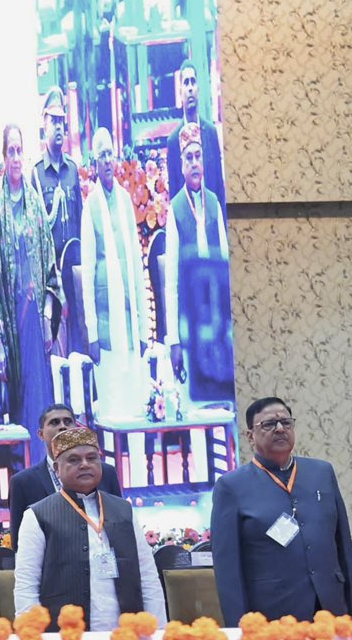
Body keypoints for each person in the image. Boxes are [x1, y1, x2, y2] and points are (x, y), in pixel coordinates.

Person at [210, 397, 352, 623]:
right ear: (250, 436)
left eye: (286, 422)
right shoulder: (231, 487)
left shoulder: (321, 473)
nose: (280, 429)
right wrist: (239, 629)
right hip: (273, 616)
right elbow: (228, 571)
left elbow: (344, 549)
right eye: (269, 424)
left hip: (332, 610)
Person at [12, 424, 166, 630]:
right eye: (74, 460)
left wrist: (158, 632)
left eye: (92, 458)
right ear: (57, 469)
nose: (85, 464)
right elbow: (26, 585)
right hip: (66, 639)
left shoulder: (123, 510)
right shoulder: (37, 516)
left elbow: (147, 576)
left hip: (127, 635)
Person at [0, 122, 60, 455]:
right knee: (20, 405)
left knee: (42, 403)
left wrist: (46, 315)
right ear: (3, 158)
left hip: (35, 325)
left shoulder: (36, 206)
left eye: (19, 150)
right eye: (10, 151)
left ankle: (48, 469)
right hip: (12, 328)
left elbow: (49, 264)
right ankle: (25, 472)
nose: (16, 158)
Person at [161, 122, 233, 405]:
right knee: (197, 410)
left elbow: (227, 269)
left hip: (216, 327)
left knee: (223, 408)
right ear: (181, 165)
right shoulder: (175, 209)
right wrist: (174, 342)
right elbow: (171, 285)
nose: (194, 163)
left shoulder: (214, 203)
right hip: (190, 328)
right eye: (188, 157)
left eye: (197, 156)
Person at [81, 128, 149, 414]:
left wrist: (144, 328)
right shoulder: (91, 206)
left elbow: (136, 262)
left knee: (134, 407)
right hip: (107, 330)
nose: (107, 161)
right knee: (112, 410)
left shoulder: (124, 200)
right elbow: (87, 275)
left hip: (130, 324)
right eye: (101, 156)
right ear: (95, 164)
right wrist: (93, 335)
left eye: (110, 154)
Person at [6, 404, 122, 544]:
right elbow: (19, 541)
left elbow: (120, 525)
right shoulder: (23, 482)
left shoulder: (105, 473)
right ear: (41, 434)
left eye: (67, 422)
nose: (62, 426)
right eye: (54, 422)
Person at [33, 89, 85, 357]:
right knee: (58, 357)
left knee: (80, 352)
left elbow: (80, 224)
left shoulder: (73, 171)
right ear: (43, 124)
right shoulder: (37, 175)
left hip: (75, 277)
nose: (58, 128)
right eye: (53, 121)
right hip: (52, 285)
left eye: (62, 122)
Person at [162, 60, 224, 209]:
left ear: (198, 88)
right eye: (186, 83)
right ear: (180, 91)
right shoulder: (173, 141)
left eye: (193, 82)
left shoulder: (211, 133)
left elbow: (219, 187)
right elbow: (174, 196)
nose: (190, 88)